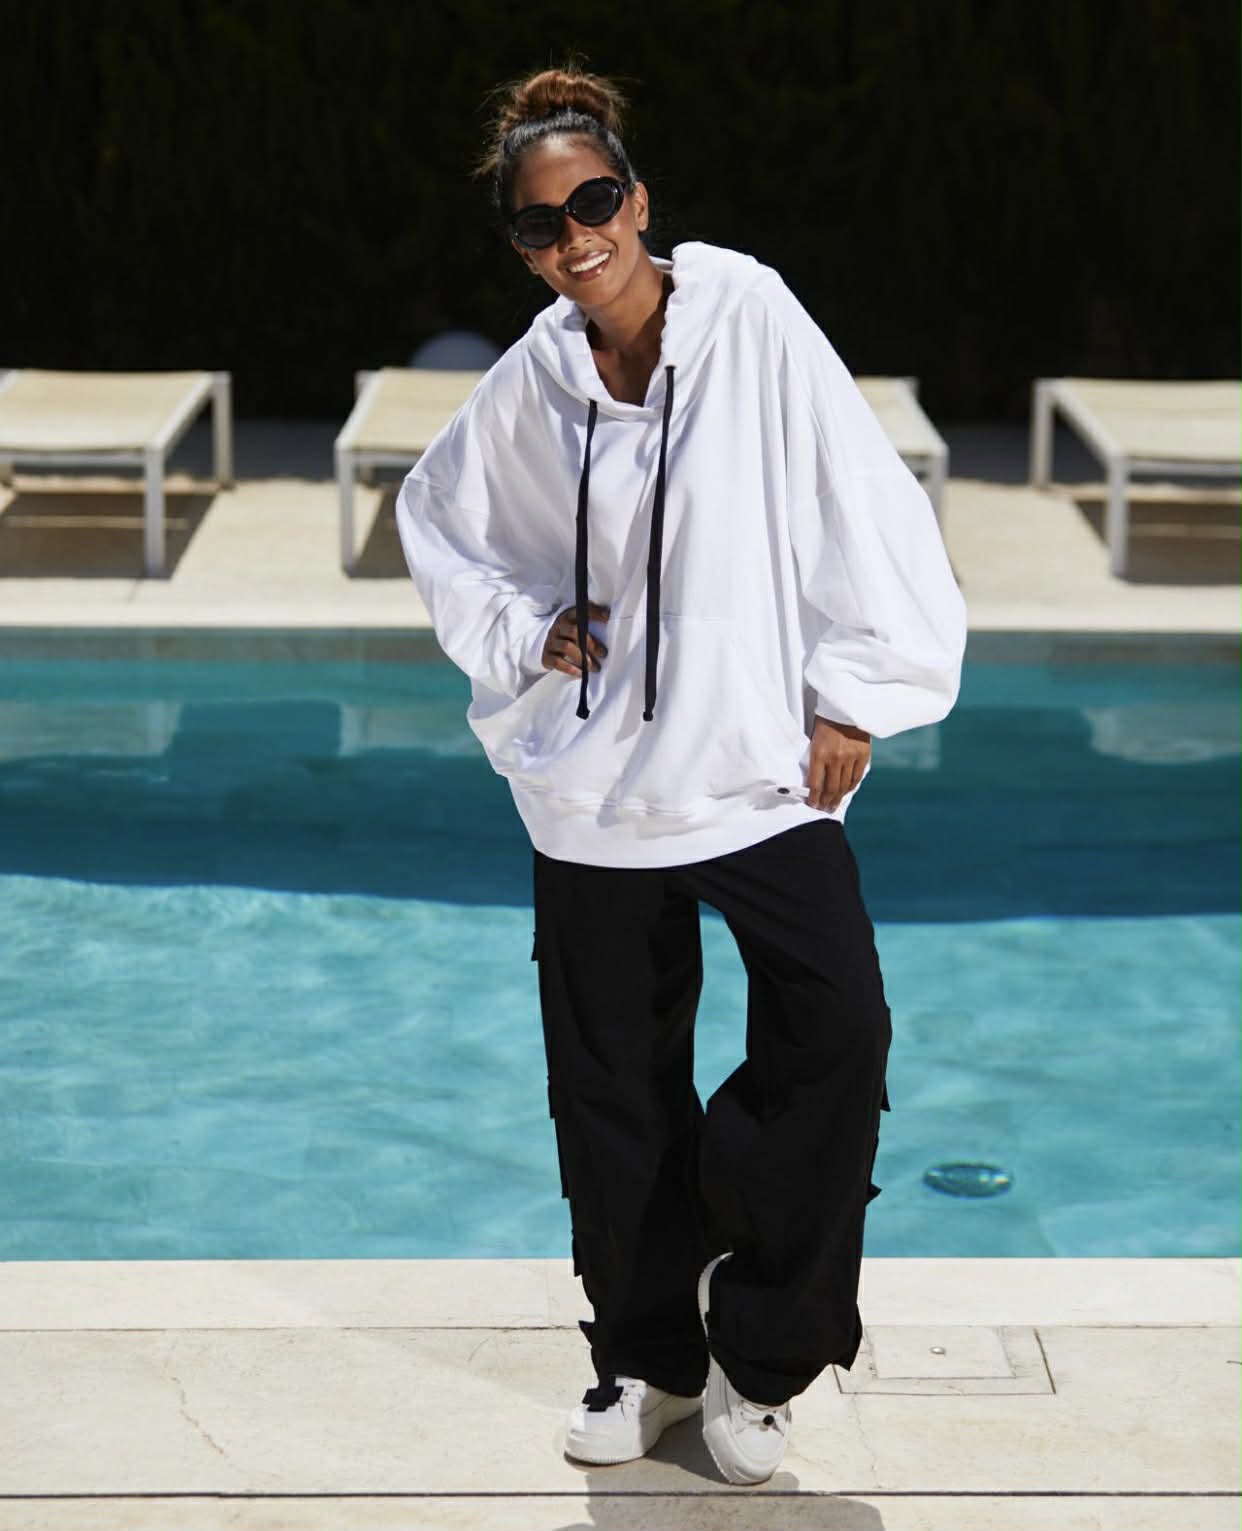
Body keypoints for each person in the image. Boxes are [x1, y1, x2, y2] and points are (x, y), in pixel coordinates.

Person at [396, 64, 966, 1486]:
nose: (574, 237)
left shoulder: (749, 315)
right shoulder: (534, 379)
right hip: (592, 791)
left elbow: (858, 487)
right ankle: (644, 1357)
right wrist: (528, 632)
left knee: (839, 1034)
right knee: (610, 1090)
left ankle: (757, 1354)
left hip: (754, 765)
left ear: (638, 200)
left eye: (593, 201)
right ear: (521, 247)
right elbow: (439, 518)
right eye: (541, 224)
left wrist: (856, 691)